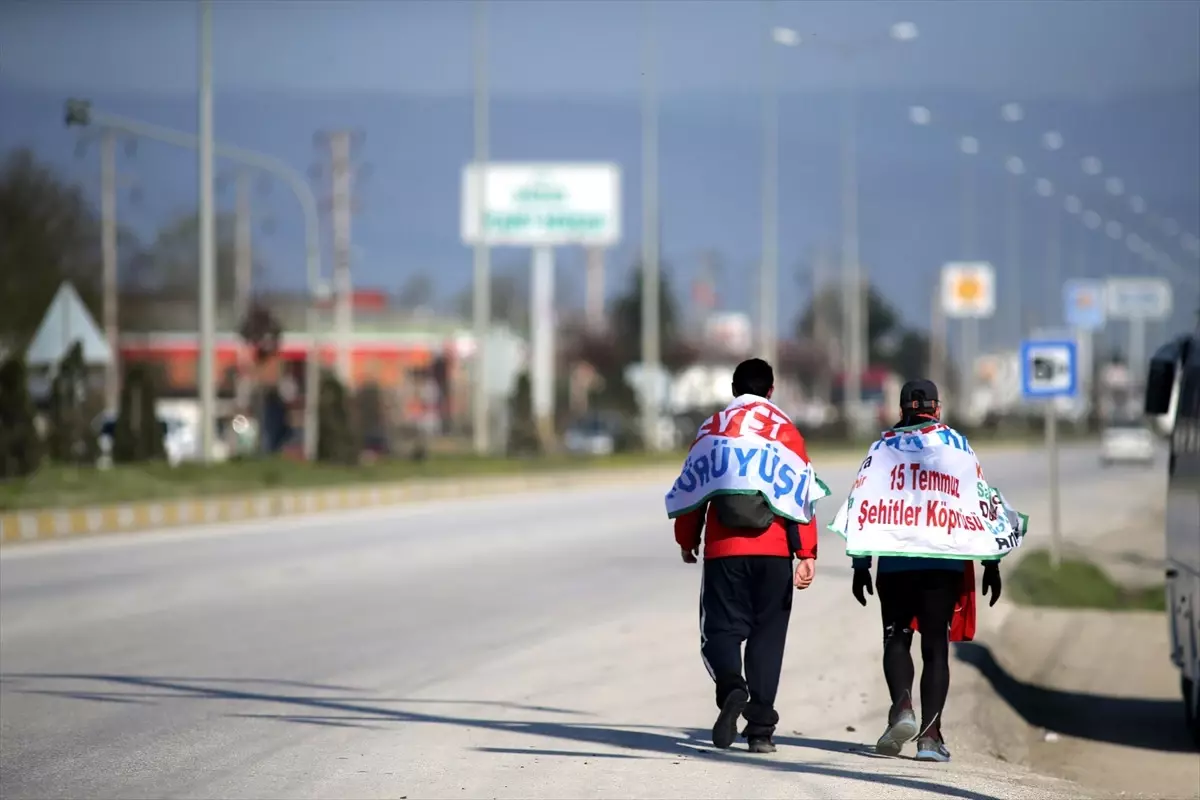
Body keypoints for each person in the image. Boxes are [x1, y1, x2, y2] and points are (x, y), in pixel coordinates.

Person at [850, 379, 1003, 763]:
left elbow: (861, 504)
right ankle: (930, 737)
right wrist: (992, 564)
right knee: (935, 648)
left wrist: (860, 563)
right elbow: (982, 503)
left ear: (901, 409)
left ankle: (902, 706)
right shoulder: (959, 446)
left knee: (896, 639)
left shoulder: (882, 447)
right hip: (942, 563)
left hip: (895, 563)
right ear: (937, 408)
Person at [672, 358, 819, 754]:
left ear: (734, 388)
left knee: (719, 632)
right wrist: (805, 551)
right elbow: (800, 492)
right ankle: (760, 731)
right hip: (774, 553)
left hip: (724, 551)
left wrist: (688, 538)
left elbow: (693, 487)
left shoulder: (712, 429)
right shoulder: (785, 430)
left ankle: (732, 687)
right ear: (771, 390)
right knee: (767, 639)